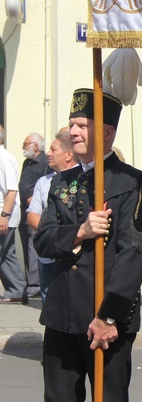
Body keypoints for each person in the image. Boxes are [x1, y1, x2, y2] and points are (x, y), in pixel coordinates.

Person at [34, 88, 142, 402]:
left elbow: (134, 254)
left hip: (106, 319)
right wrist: (81, 231)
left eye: (81, 125)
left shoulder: (135, 183)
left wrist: (109, 316)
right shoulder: (62, 181)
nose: (72, 132)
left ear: (106, 131)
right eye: (71, 125)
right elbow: (44, 239)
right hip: (62, 314)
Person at [27, 130, 77, 302]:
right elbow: (32, 216)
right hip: (47, 256)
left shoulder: (83, 179)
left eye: (53, 149)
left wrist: (67, 239)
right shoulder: (44, 182)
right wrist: (53, 237)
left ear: (68, 154)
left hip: (73, 256)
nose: (47, 153)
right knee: (49, 306)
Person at [19, 132, 49, 298]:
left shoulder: (45, 162)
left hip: (36, 210)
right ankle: (30, 282)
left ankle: (34, 285)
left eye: (25, 143)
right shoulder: (27, 163)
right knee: (26, 246)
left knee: (33, 246)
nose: (23, 147)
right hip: (25, 210)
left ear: (36, 146)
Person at [0, 125, 24, 304]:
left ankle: (16, 289)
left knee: (4, 251)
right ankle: (16, 289)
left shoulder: (4, 159)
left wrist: (4, 214)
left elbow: (11, 190)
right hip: (4, 214)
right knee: (7, 253)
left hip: (4, 214)